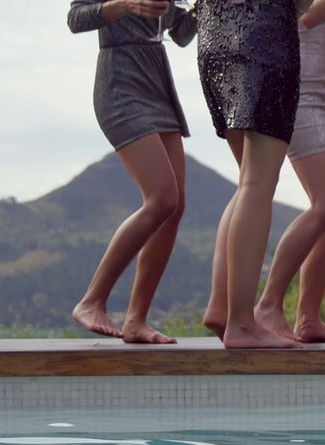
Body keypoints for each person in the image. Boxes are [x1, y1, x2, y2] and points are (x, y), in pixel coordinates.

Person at [67, 0, 195, 344]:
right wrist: (125, 5)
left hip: (158, 81)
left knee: (175, 206)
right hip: (120, 82)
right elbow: (76, 19)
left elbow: (181, 34)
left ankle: (136, 320)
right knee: (161, 198)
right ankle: (92, 300)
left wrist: (202, 8)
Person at [197, 0, 303, 349]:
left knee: (248, 181)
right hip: (264, 33)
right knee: (257, 183)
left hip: (214, 36)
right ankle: (241, 322)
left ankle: (221, 307)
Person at [252, 0, 325, 344]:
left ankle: (308, 317)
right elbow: (310, 17)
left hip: (320, 101)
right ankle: (268, 305)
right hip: (298, 95)